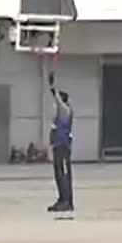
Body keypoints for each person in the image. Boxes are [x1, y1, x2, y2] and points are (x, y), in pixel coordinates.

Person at [48, 76, 75, 214]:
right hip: (59, 145)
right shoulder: (63, 109)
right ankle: (62, 199)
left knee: (63, 174)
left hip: (63, 146)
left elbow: (57, 100)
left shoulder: (64, 109)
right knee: (59, 174)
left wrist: (52, 86)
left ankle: (66, 201)